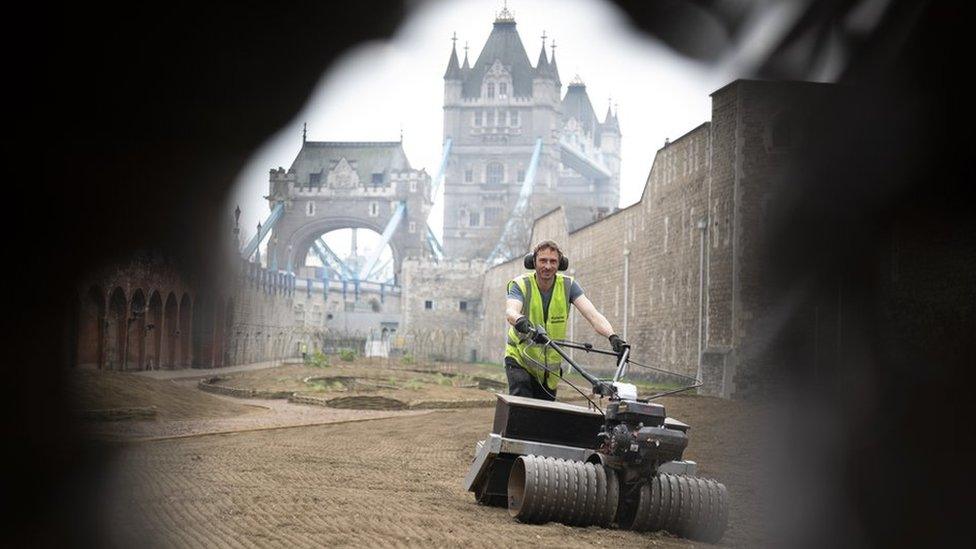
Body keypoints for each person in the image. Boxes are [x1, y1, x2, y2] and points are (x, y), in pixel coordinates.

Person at [504, 240, 627, 401]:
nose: (547, 266)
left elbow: (593, 315)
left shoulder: (568, 286)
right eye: (543, 260)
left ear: (560, 263)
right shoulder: (521, 284)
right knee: (522, 402)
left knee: (545, 416)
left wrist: (613, 336)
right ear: (533, 262)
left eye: (553, 261)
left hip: (549, 370)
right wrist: (520, 320)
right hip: (520, 359)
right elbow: (511, 311)